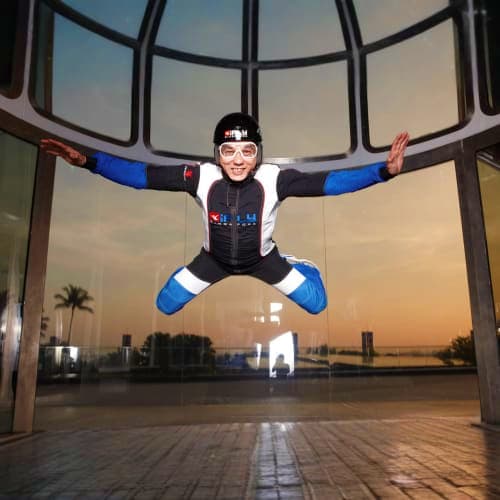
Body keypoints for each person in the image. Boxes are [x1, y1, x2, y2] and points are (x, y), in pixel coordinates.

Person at [41, 113, 409, 316]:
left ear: (257, 154)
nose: (237, 160)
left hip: (263, 260)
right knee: (165, 305)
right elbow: (141, 176)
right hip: (212, 261)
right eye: (229, 151)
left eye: (247, 150)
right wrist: (88, 162)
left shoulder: (274, 179)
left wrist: (383, 172)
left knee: (318, 304)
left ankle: (302, 266)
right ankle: (189, 274)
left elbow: (331, 183)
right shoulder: (199, 177)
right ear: (217, 154)